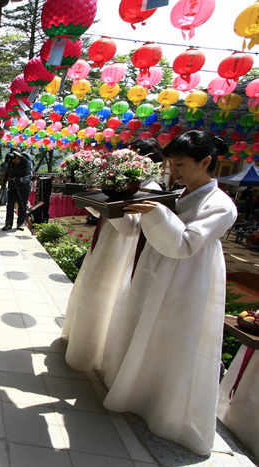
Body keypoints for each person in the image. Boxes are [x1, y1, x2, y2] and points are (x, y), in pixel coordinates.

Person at [101, 130, 237, 455]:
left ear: (205, 162)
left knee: (173, 339)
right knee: (144, 326)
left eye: (180, 165)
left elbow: (185, 244)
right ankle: (136, 392)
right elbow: (140, 229)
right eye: (171, 165)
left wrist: (157, 214)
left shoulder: (221, 205)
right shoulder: (177, 194)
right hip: (155, 269)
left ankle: (165, 412)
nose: (173, 172)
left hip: (188, 279)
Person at [61, 139, 163, 372]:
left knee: (102, 298)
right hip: (106, 241)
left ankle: (90, 353)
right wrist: (90, 199)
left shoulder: (152, 190)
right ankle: (78, 343)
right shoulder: (126, 182)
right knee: (89, 290)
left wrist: (108, 203)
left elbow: (132, 228)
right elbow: (105, 213)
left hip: (121, 251)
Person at [1, 148, 33, 231]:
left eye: (14, 156)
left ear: (18, 156)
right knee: (10, 205)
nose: (12, 158)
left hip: (24, 187)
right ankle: (8, 223)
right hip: (13, 186)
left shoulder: (27, 162)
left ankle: (20, 223)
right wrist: (5, 162)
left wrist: (20, 179)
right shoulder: (11, 162)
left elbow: (29, 176)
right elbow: (4, 171)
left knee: (22, 205)